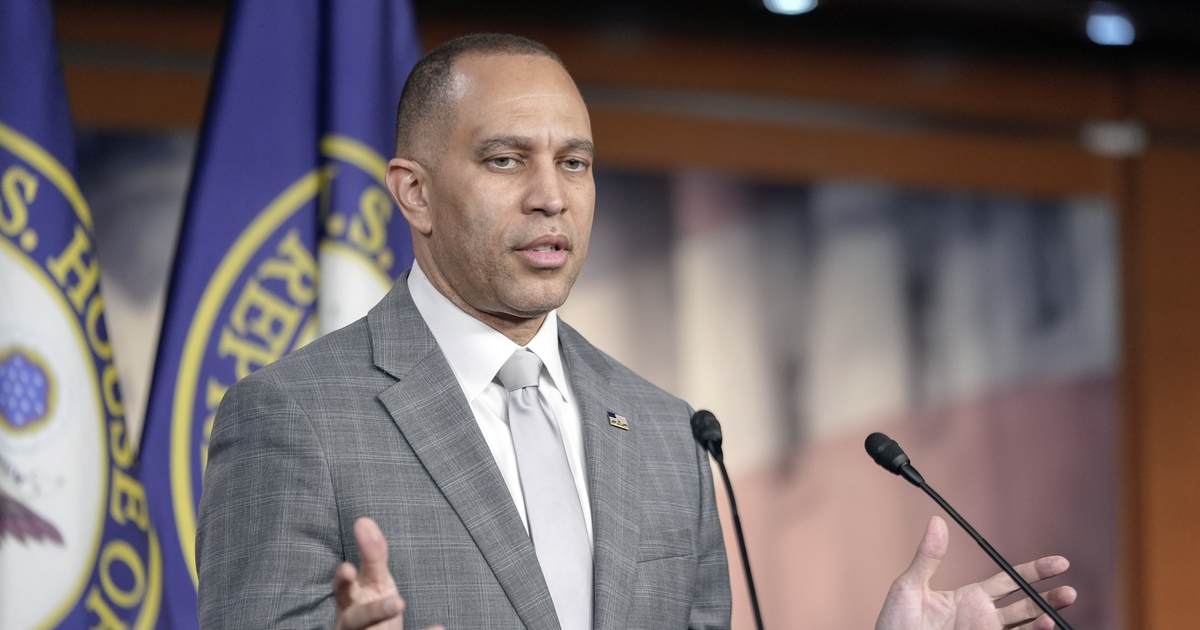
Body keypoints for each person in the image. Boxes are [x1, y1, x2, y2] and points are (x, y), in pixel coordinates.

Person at [196, 34, 1077, 630]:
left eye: (574, 163)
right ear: (414, 193)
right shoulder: (294, 419)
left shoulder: (664, 431)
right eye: (505, 160)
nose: (551, 196)